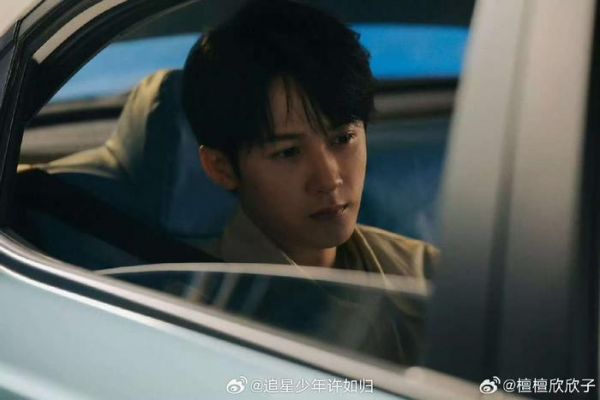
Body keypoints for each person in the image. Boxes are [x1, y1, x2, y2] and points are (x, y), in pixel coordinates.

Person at [182, 0, 438, 277]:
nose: (328, 180)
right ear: (221, 168)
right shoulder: (184, 292)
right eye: (288, 152)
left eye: (343, 139)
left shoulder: (426, 274)